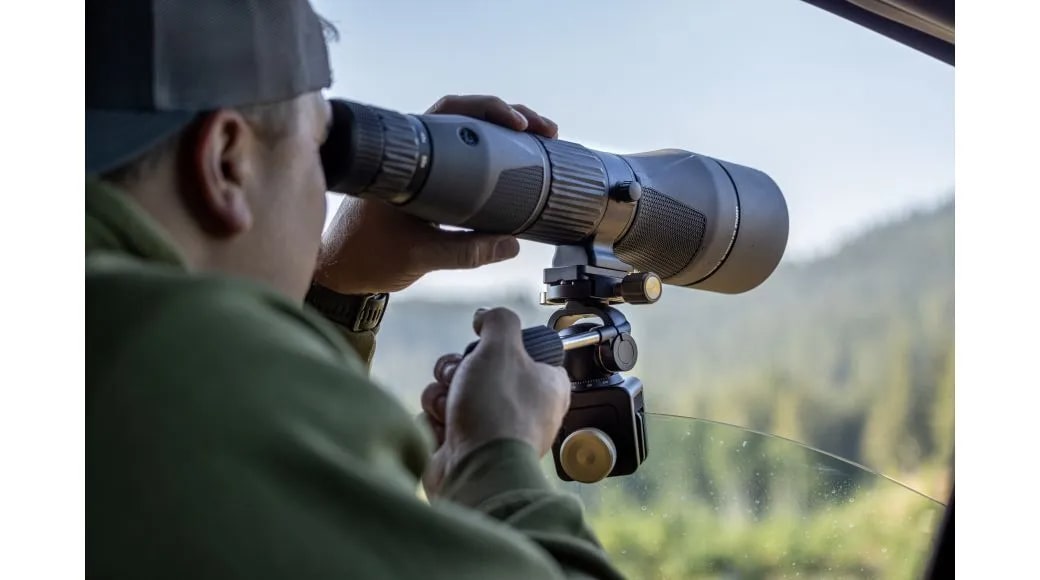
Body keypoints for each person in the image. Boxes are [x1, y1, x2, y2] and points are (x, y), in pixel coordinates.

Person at [86, 1, 625, 579]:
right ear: (225, 162)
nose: (324, 195)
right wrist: (494, 459)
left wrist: (335, 289)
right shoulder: (173, 360)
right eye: (318, 152)